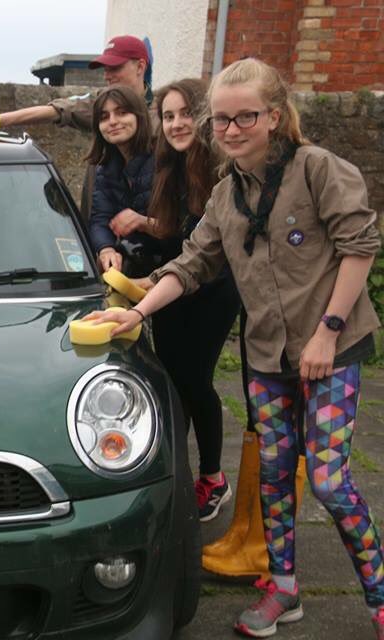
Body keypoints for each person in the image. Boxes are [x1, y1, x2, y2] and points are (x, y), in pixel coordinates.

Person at [84, 58, 383, 638]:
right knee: (272, 476)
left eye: (245, 116)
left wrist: (328, 330)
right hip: (269, 357)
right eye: (221, 120)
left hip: (332, 351)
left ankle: (377, 596)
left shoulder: (321, 170)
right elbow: (193, 262)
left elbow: (359, 247)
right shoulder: (226, 195)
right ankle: (285, 590)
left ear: (274, 115)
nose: (231, 129)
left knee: (328, 482)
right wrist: (137, 311)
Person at [144, 78, 242, 521]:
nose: (177, 123)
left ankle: (212, 478)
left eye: (186, 113)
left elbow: (211, 250)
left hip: (215, 289)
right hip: (175, 285)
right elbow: (172, 236)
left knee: (195, 379)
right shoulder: (168, 168)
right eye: (168, 115)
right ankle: (175, 474)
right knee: (170, 379)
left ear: (203, 116)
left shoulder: (221, 168)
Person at [0, 35, 153, 226]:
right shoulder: (100, 101)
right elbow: (58, 109)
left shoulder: (165, 115)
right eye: (104, 117)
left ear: (140, 66)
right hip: (102, 232)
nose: (107, 76)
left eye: (115, 68)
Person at [84, 85, 159, 275]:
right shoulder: (106, 168)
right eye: (104, 117)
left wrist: (142, 222)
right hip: (133, 269)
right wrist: (106, 248)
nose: (113, 122)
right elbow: (100, 219)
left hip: (174, 272)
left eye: (122, 113)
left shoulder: (163, 160)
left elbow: (183, 228)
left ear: (139, 116)